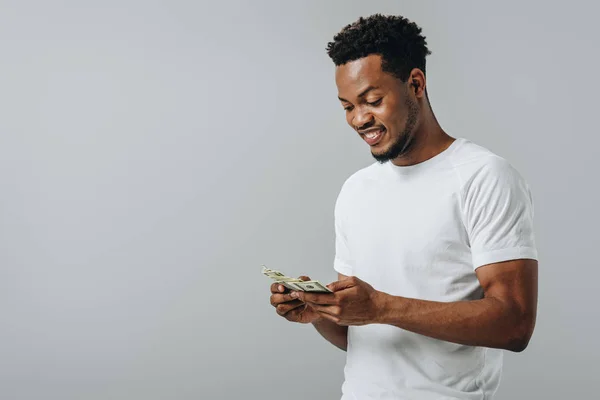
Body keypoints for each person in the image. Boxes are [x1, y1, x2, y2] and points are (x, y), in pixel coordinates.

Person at [269, 14, 538, 400]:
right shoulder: (356, 190)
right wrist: (319, 313)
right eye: (347, 106)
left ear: (415, 84)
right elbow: (363, 335)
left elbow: (514, 324)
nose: (360, 119)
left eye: (372, 101)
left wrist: (380, 306)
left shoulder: (484, 177)